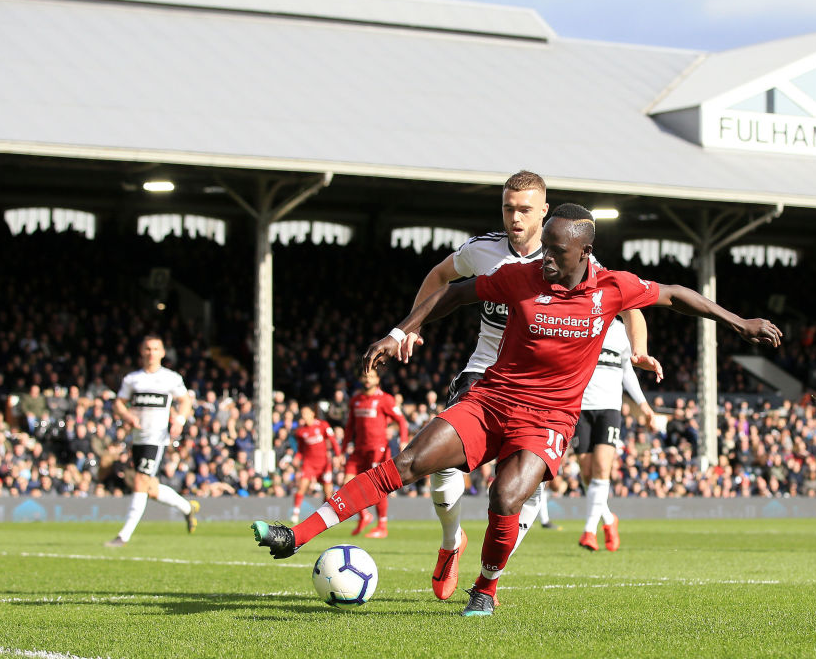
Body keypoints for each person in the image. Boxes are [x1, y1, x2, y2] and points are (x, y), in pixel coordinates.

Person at [251, 203, 781, 618]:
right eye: (544, 246)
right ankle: (296, 535)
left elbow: (676, 294)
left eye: (557, 251)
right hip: (492, 400)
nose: (545, 258)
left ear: (585, 251)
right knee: (409, 461)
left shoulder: (612, 288)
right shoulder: (520, 275)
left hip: (548, 419)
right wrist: (400, 331)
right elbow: (454, 294)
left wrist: (740, 323)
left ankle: (485, 587)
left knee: (505, 496)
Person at [395, 170, 657, 600]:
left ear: (544, 212)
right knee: (440, 465)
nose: (515, 218)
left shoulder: (572, 255)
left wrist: (638, 350)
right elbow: (441, 277)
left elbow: (631, 304)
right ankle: (451, 542)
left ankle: (488, 577)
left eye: (524, 210)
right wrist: (411, 326)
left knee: (520, 493)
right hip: (486, 372)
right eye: (508, 208)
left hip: (544, 390)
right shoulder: (483, 250)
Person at [105, 335, 199, 547]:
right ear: (142, 352)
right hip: (138, 438)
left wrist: (180, 420)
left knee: (140, 481)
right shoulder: (133, 379)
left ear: (162, 353)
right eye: (147, 349)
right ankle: (187, 508)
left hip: (156, 438)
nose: (151, 353)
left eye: (155, 349)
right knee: (150, 489)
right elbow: (118, 403)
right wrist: (127, 416)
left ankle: (123, 536)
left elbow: (185, 400)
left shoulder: (170, 378)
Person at [574, 315, 654, 552]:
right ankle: (609, 519)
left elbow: (627, 372)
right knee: (586, 471)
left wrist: (643, 405)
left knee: (601, 467)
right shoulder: (580, 323)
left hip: (609, 408)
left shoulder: (621, 331)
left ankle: (589, 531)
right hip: (580, 408)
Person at [342, 368, 408, 539]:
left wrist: (403, 440)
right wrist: (342, 450)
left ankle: (382, 526)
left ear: (377, 379)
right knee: (346, 484)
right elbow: (349, 427)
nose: (367, 379)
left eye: (371, 376)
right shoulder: (356, 400)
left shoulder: (385, 399)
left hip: (377, 450)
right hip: (359, 450)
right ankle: (364, 515)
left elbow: (401, 421)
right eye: (365, 376)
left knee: (377, 486)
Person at [290, 405, 342, 524]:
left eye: (306, 413)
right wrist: (297, 458)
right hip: (309, 464)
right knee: (302, 486)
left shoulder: (323, 425)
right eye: (302, 414)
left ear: (312, 414)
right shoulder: (301, 432)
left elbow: (333, 441)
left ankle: (326, 514)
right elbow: (301, 450)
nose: (304, 416)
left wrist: (338, 455)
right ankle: (295, 513)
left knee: (328, 492)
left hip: (324, 464)